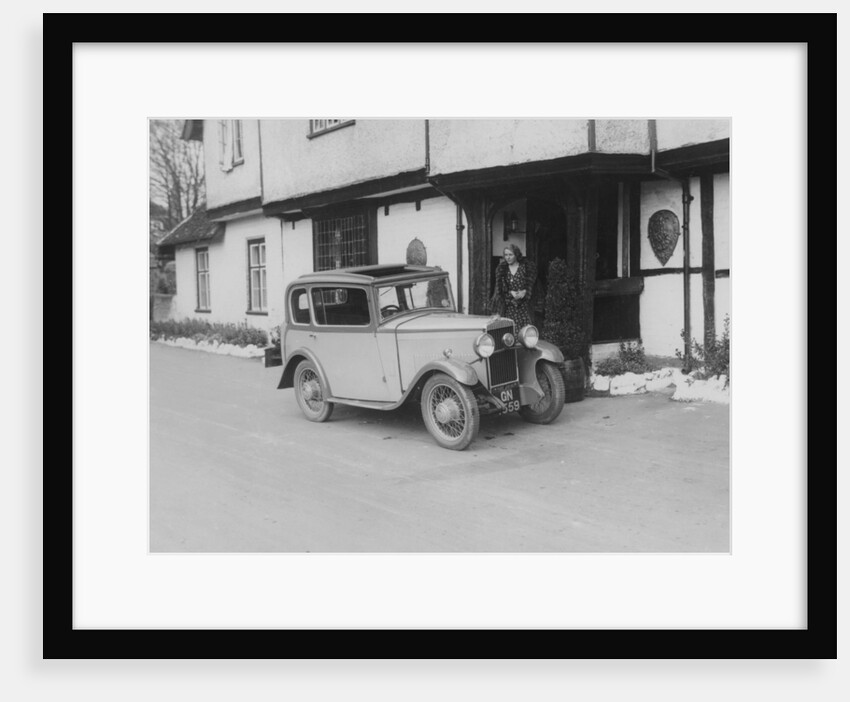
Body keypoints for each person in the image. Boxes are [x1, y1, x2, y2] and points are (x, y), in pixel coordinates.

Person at [493, 244, 537, 328]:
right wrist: (510, 293)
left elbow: (532, 287)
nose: (508, 257)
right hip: (508, 309)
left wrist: (525, 291)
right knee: (508, 335)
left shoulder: (526, 268)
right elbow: (500, 292)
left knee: (524, 334)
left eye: (510, 255)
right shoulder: (502, 269)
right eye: (506, 255)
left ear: (516, 255)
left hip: (524, 308)